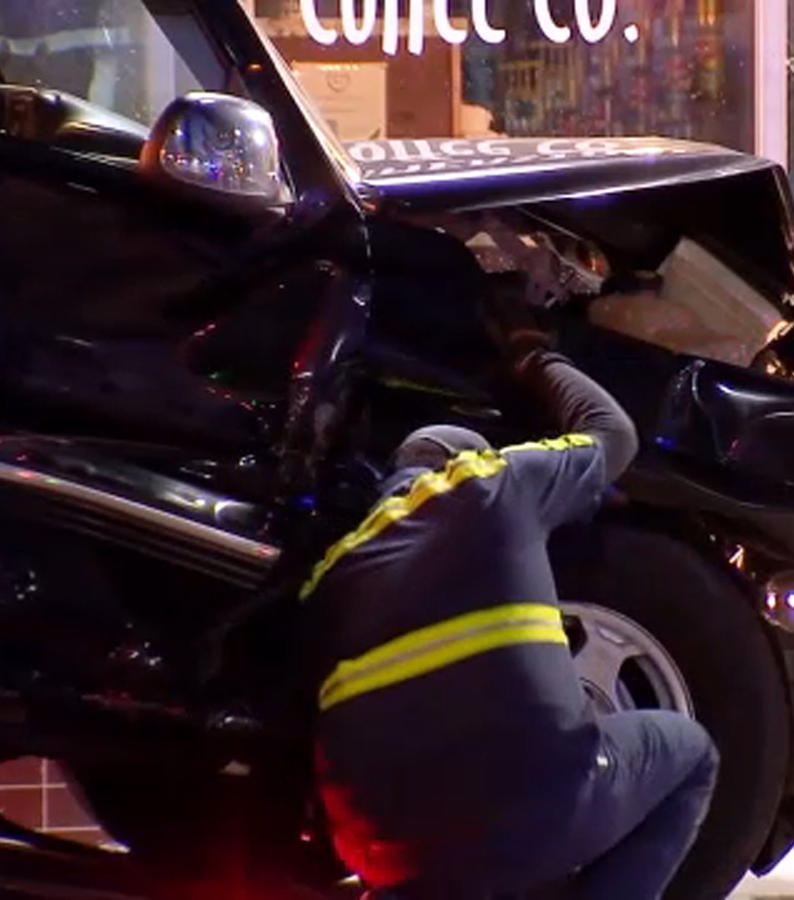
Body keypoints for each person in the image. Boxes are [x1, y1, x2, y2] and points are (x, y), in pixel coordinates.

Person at [302, 309, 719, 900]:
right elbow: (614, 434)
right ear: (465, 459)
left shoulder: (333, 571)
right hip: (534, 814)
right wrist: (532, 351)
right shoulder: (489, 484)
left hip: (390, 857)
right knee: (693, 756)